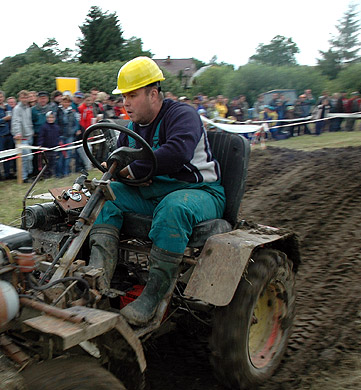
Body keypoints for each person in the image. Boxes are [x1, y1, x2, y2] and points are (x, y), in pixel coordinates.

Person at [89, 57, 224, 326]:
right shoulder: (133, 127)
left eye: (132, 95)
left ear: (153, 94)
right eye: (124, 96)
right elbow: (124, 164)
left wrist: (135, 171)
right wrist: (114, 170)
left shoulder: (182, 115)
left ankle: (154, 294)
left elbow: (177, 153)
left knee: (173, 209)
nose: (125, 103)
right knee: (105, 195)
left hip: (198, 191)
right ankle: (98, 274)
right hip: (155, 193)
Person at [11, 90, 34, 182]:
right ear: (19, 98)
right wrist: (17, 133)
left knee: (29, 157)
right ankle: (24, 177)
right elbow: (16, 121)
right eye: (22, 97)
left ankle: (28, 174)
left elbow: (29, 121)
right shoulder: (17, 109)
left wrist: (31, 131)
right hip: (21, 137)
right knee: (25, 158)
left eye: (26, 97)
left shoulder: (28, 108)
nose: (24, 99)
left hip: (29, 136)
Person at [57, 95, 80, 177]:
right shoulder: (58, 111)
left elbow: (76, 123)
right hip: (61, 135)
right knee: (61, 155)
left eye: (67, 102)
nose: (66, 104)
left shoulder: (73, 112)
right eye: (64, 102)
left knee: (68, 155)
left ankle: (66, 172)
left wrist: (74, 130)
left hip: (70, 136)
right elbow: (56, 123)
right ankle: (59, 173)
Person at [37, 111, 61, 178]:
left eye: (52, 117)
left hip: (54, 148)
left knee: (53, 162)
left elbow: (58, 136)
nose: (50, 119)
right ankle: (45, 176)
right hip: (46, 148)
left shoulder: (57, 127)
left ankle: (51, 175)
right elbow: (41, 137)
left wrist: (58, 144)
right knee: (46, 163)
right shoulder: (43, 127)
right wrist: (40, 144)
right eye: (49, 118)